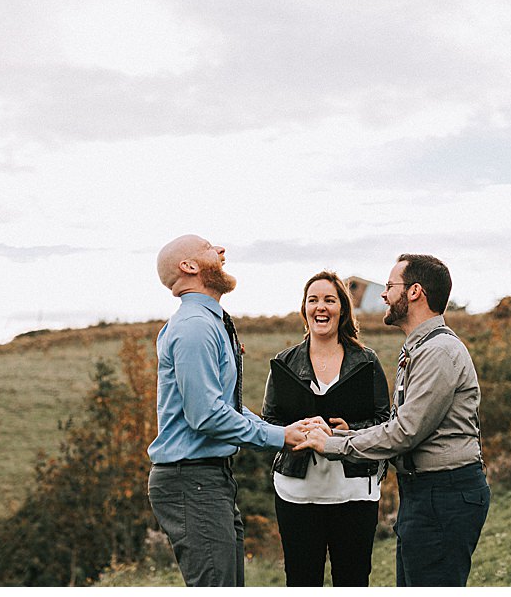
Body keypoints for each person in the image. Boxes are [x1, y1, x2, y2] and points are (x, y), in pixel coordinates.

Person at [295, 254, 490, 587]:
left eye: (389, 287)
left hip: (442, 494)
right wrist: (353, 431)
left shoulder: (438, 351)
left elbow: (405, 433)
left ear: (414, 292)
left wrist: (333, 444)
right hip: (425, 492)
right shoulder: (419, 348)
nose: (384, 295)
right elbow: (404, 425)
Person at [147, 234, 309, 587]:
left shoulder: (208, 323)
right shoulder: (194, 328)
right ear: (188, 267)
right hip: (192, 481)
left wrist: (285, 430)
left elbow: (225, 407)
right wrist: (279, 437)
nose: (221, 252)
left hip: (208, 479)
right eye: (209, 247)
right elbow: (206, 416)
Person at [261, 271, 390, 586]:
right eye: (313, 300)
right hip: (297, 494)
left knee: (353, 579)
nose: (321, 307)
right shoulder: (285, 363)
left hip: (355, 493)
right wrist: (294, 430)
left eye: (329, 300)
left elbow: (385, 422)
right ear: (304, 309)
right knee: (302, 581)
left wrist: (347, 432)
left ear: (342, 309)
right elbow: (268, 422)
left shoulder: (366, 361)